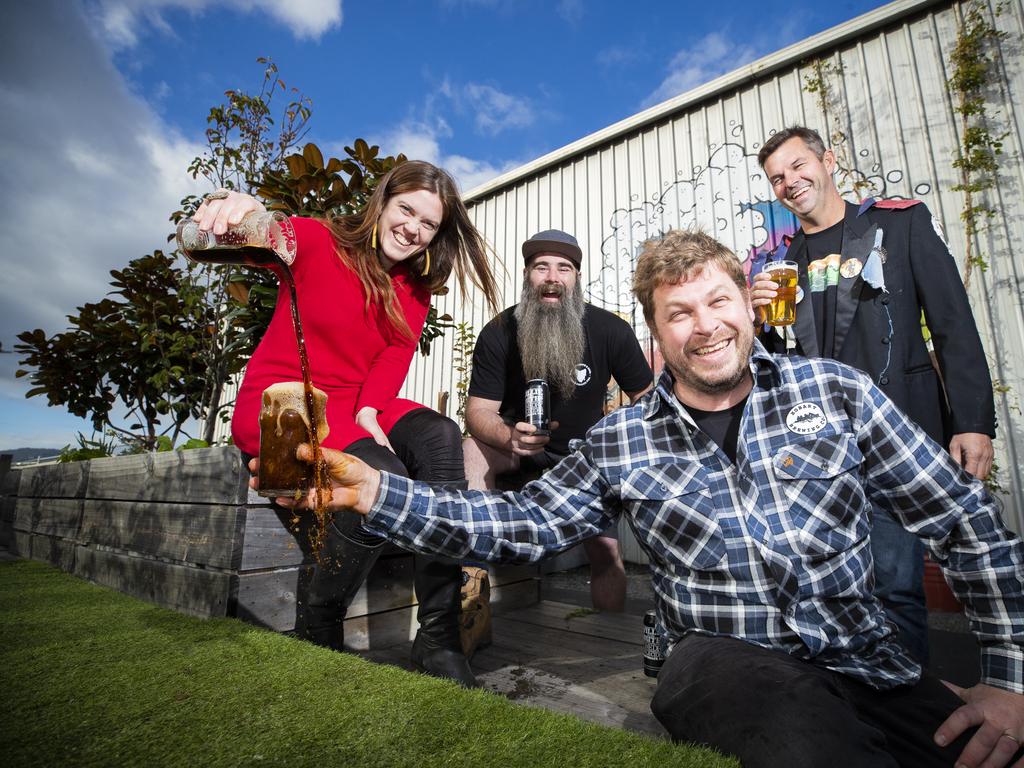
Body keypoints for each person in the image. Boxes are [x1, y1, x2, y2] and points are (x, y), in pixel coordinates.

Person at [264, 229, 1024, 768]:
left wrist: (1006, 678)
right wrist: (377, 492)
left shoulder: (838, 395)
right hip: (723, 661)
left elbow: (963, 521)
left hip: (865, 659)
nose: (706, 327)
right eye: (679, 314)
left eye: (718, 301)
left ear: (747, 305)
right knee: (806, 741)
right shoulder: (623, 441)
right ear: (654, 334)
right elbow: (518, 523)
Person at [191, 160, 500, 687]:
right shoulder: (316, 239)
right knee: (377, 474)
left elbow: (393, 358)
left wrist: (367, 410)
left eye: (429, 224)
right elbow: (234, 236)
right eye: (407, 210)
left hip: (355, 402)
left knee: (441, 436)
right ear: (382, 203)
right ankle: (318, 629)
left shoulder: (414, 287)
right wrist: (235, 209)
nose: (413, 229)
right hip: (292, 400)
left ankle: (439, 637)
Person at [750, 125, 996, 665]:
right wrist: (756, 320)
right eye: (776, 179)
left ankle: (907, 705)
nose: (789, 183)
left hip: (897, 436)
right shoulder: (783, 262)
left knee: (896, 586)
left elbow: (952, 322)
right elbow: (775, 363)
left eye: (797, 167)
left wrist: (973, 422)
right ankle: (859, 690)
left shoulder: (898, 224)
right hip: (823, 449)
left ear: (828, 161)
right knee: (833, 589)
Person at [462, 229, 653, 611]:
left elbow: (647, 397)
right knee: (472, 447)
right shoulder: (500, 332)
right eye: (541, 267)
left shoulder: (609, 329)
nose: (552, 277)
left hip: (584, 460)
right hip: (518, 450)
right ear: (527, 276)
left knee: (606, 556)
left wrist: (620, 437)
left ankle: (606, 636)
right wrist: (508, 436)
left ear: (576, 278)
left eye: (564, 268)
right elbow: (478, 411)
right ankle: (472, 567)